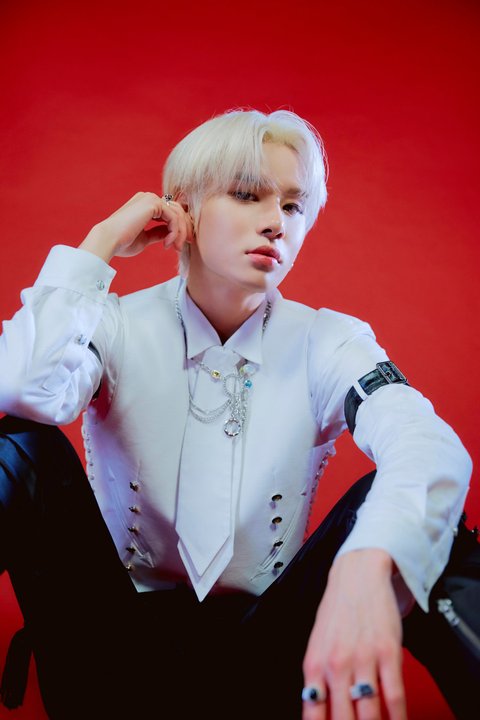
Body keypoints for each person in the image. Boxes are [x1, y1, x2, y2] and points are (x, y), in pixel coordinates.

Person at [0, 108, 473, 720]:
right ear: (183, 208)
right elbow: (20, 389)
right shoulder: (114, 324)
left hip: (270, 660)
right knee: (18, 450)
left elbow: (424, 441)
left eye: (294, 205)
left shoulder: (329, 341)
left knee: (419, 519)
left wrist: (371, 560)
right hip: (110, 652)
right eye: (248, 195)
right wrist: (99, 245)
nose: (276, 222)